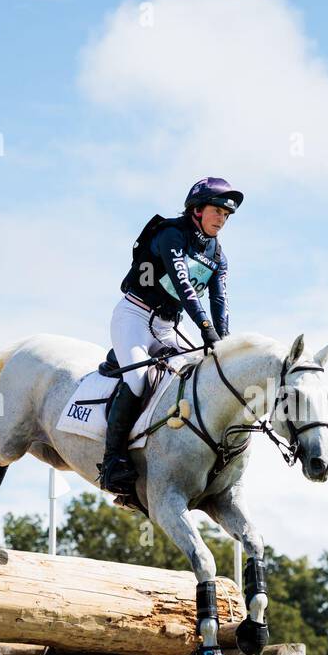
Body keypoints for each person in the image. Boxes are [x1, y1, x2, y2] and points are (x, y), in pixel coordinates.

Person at [99, 177, 241, 495]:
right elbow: (184, 288)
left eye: (227, 215)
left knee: (198, 373)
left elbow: (219, 301)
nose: (222, 219)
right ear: (197, 209)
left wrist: (225, 343)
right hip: (134, 316)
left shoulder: (217, 255)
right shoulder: (170, 234)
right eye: (217, 211)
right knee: (138, 381)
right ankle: (112, 463)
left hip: (167, 327)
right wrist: (206, 330)